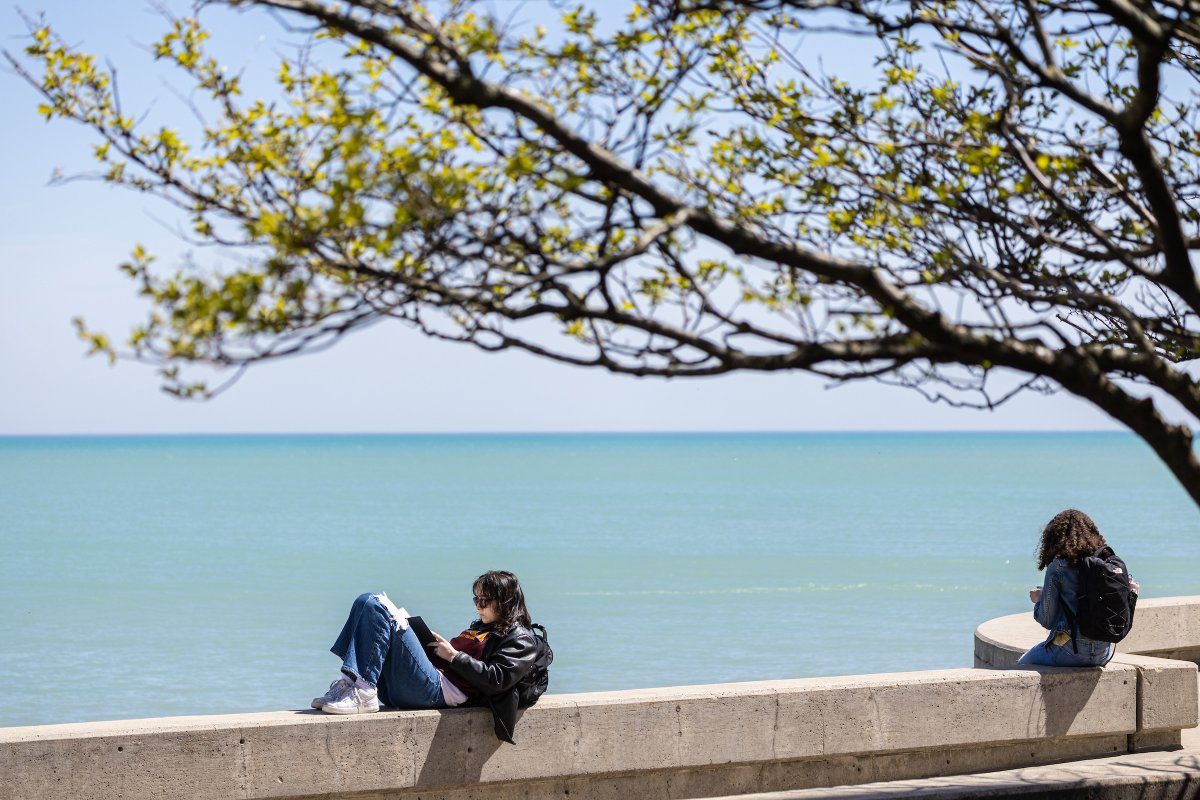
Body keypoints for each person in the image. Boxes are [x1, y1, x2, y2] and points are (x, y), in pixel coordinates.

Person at [311, 570, 539, 741]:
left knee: (378, 606)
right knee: (365, 601)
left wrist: (453, 656)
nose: (478, 606)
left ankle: (364, 690)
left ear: (505, 601)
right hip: (425, 682)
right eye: (476, 600)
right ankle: (352, 682)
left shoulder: (522, 638)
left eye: (484, 601)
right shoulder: (482, 627)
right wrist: (433, 645)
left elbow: (497, 679)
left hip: (439, 693)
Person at [1018, 509, 1138, 667]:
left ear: (1054, 538)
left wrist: (1039, 599)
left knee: (1023, 663)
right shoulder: (1106, 565)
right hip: (1104, 653)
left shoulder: (1058, 567)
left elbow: (1047, 620)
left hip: (1070, 650)